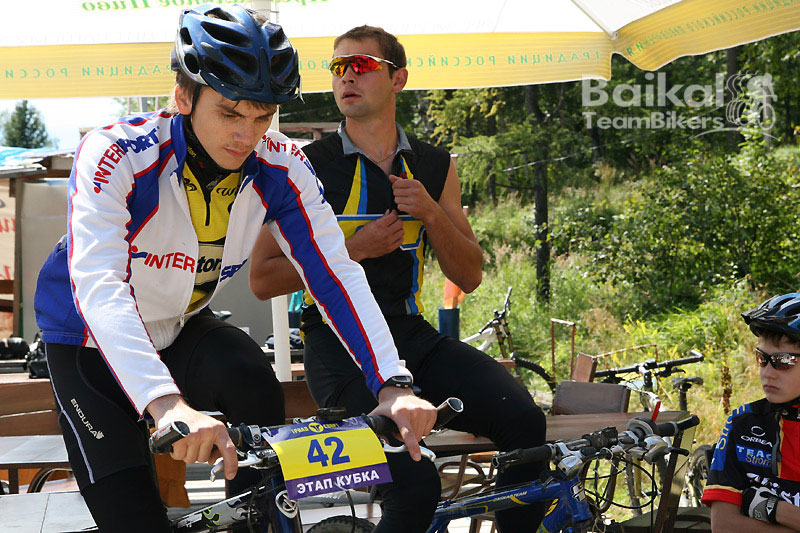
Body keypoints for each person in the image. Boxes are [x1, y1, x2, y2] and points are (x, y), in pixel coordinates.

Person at [33, 7, 434, 532]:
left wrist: (393, 384)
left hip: (178, 324)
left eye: (263, 117)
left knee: (252, 381)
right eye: (229, 113)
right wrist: (167, 403)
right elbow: (101, 285)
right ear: (184, 97)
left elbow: (335, 273)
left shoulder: (281, 163)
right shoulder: (116, 153)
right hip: (87, 338)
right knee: (134, 518)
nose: (247, 135)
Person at [250, 25, 547, 533]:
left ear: (399, 78)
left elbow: (470, 274)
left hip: (412, 335)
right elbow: (261, 279)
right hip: (336, 344)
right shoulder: (304, 166)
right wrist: (355, 249)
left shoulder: (434, 165)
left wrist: (432, 213)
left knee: (525, 421)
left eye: (362, 65)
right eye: (338, 67)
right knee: (414, 480)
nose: (347, 77)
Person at [702, 293, 800, 531]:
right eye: (762, 358)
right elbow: (723, 525)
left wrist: (772, 509)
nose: (767, 373)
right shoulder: (742, 423)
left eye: (783, 361)